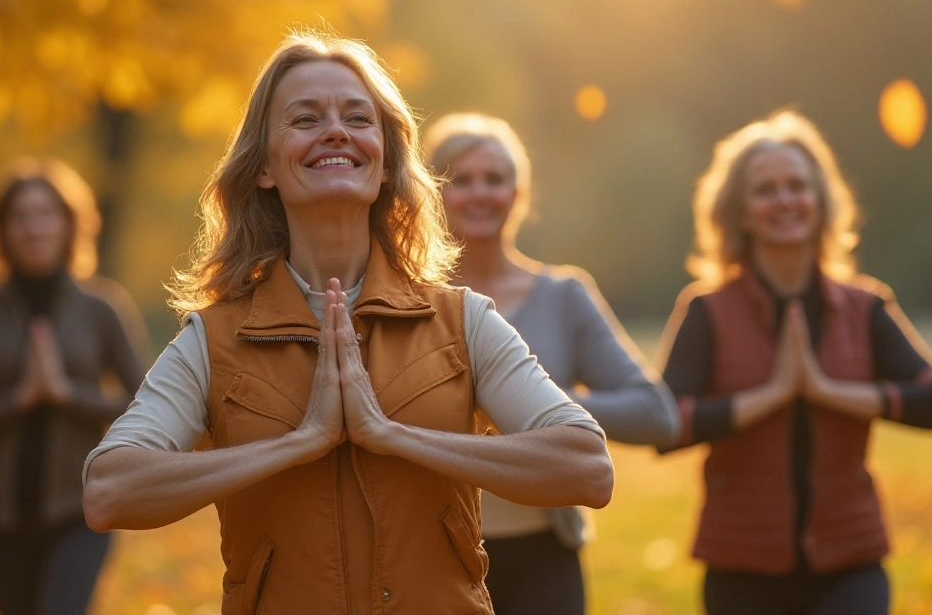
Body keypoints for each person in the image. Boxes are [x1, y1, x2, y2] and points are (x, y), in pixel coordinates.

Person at [81, 32, 614, 615]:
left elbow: (586, 468)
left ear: (384, 161)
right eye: (305, 119)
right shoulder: (210, 341)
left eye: (358, 118)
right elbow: (110, 492)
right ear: (262, 166)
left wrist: (392, 435)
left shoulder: (464, 321)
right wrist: (301, 442)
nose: (335, 130)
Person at [656, 110, 932, 615]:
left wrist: (824, 390)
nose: (784, 200)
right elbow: (663, 425)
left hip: (851, 562)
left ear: (821, 202)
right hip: (740, 566)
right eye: (765, 190)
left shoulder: (866, 306)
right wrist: (771, 395)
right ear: (740, 212)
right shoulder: (707, 310)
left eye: (797, 185)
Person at [423, 112, 679, 615]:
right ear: (432, 194)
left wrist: (540, 407)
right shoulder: (407, 299)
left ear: (519, 194)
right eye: (461, 179)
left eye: (495, 179)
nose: (479, 193)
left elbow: (658, 414)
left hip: (544, 557)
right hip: (432, 551)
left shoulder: (564, 295)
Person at [0, 159, 146, 615]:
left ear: (70, 226)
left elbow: (144, 405)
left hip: (82, 511)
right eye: (20, 217)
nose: (34, 228)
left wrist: (65, 393)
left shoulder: (102, 309)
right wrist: (18, 400)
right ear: (1, 231)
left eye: (46, 214)